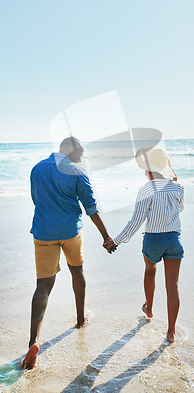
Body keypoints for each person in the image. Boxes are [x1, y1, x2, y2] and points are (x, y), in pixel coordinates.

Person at [23, 136, 115, 370]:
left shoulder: (37, 168)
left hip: (43, 231)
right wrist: (106, 236)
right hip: (70, 232)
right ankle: (80, 320)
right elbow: (91, 206)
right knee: (77, 271)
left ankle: (34, 341)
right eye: (80, 153)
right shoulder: (77, 171)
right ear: (70, 149)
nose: (81, 158)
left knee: (43, 285)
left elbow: (36, 200)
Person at [104, 147, 184, 342]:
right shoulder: (178, 188)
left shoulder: (145, 190)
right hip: (174, 240)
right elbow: (179, 209)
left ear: (148, 171)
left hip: (153, 240)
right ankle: (171, 332)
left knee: (150, 270)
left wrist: (116, 241)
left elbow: (135, 222)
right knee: (172, 286)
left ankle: (149, 308)